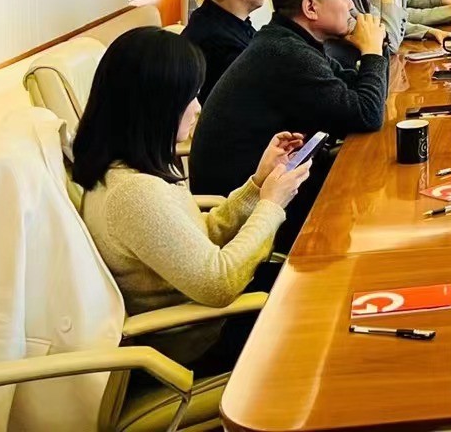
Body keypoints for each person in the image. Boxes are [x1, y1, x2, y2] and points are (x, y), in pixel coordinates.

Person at [75, 27, 311, 369]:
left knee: (315, 274)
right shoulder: (133, 194)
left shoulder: (133, 169)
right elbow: (220, 283)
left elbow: (200, 237)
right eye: (191, 97)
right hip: (200, 341)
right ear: (158, 105)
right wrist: (272, 206)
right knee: (321, 295)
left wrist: (258, 184)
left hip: (208, 318)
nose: (198, 108)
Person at [189, 0, 388, 250]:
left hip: (281, 182)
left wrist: (374, 51)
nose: (351, 5)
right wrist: (372, 51)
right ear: (310, 8)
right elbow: (367, 113)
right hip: (248, 210)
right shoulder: (286, 53)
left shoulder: (289, 41)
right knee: (377, 207)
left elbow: (360, 91)